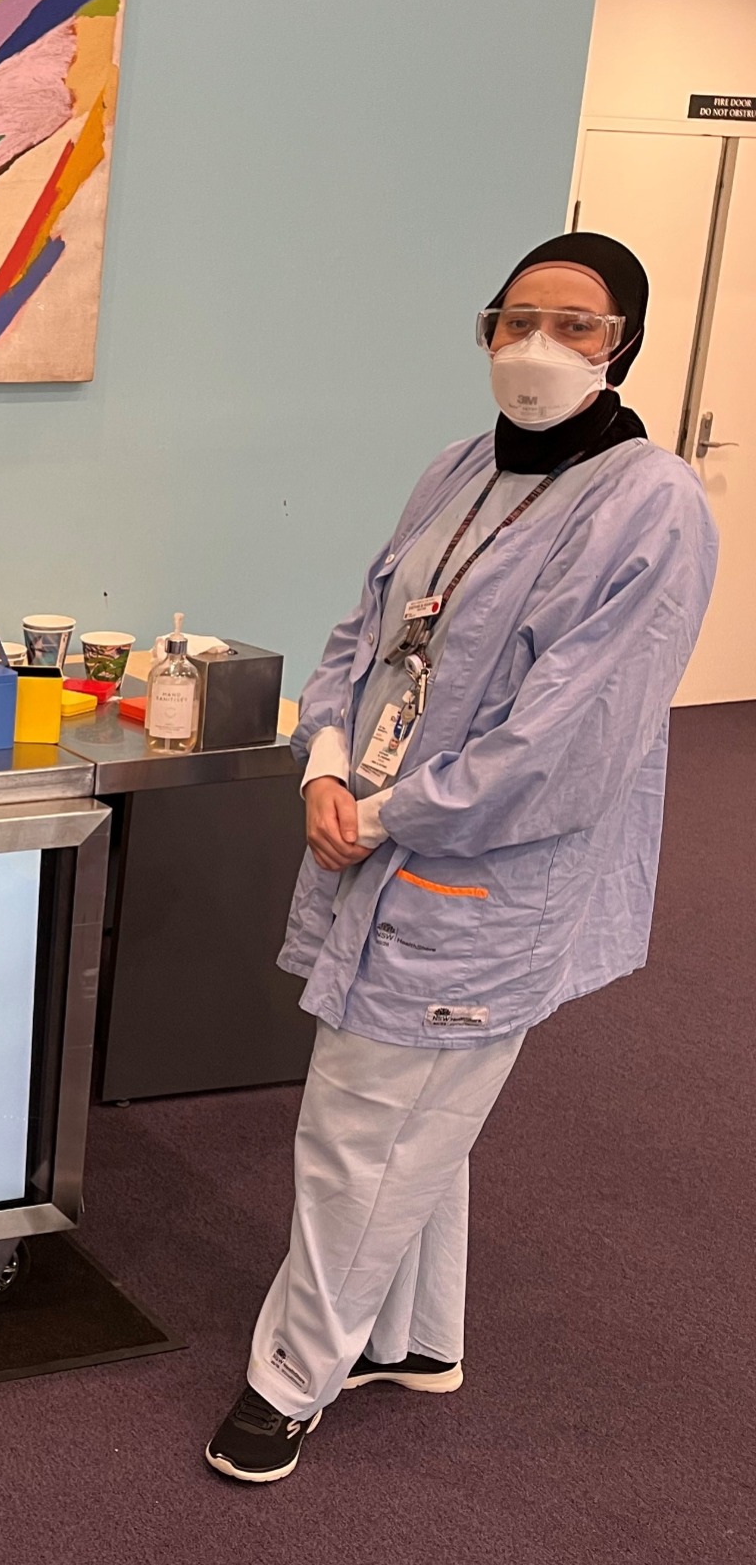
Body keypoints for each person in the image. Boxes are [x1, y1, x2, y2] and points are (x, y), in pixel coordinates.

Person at [205, 233, 718, 1484]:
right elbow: (365, 627)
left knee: (362, 1128)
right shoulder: (458, 468)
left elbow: (569, 746)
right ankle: (414, 1338)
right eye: (516, 318)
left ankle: (289, 1379)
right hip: (369, 828)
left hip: (472, 870)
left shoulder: (655, 507)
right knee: (415, 1119)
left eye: (578, 324)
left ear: (624, 344)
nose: (539, 346)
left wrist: (385, 814)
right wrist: (324, 755)